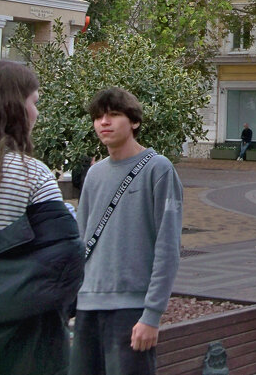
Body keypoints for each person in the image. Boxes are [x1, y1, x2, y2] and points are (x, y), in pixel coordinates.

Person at [0, 61, 84, 375]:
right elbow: (64, 264)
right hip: (21, 343)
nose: (37, 113)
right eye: (35, 103)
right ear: (15, 108)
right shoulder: (32, 174)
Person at [71, 88, 183, 375]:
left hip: (131, 309)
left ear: (134, 121)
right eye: (98, 117)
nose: (103, 122)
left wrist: (152, 315)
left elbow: (167, 246)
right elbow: (82, 241)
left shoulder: (158, 169)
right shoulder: (94, 174)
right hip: (88, 306)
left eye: (114, 115)